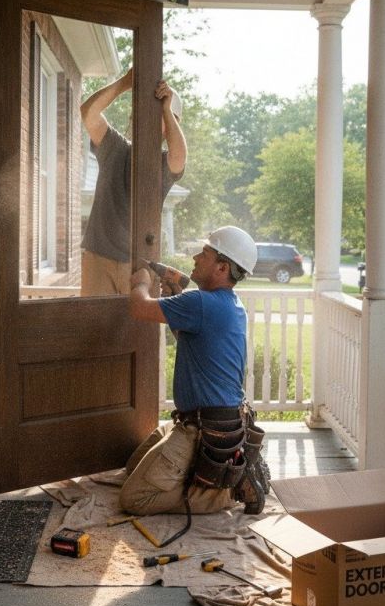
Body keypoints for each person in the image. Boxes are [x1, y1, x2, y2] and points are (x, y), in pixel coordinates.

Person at [119, 226, 270, 521]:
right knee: (132, 467)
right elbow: (190, 336)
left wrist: (141, 283)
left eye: (205, 253)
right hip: (212, 420)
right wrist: (177, 297)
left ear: (222, 267)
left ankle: (226, 491)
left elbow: (139, 309)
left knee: (135, 497)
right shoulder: (227, 304)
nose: (196, 257)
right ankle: (208, 476)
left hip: (203, 429)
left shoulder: (200, 303)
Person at [80, 67, 187, 296]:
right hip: (99, 258)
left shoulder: (162, 165)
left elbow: (179, 156)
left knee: (140, 331)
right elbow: (89, 113)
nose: (144, 117)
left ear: (169, 125)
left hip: (140, 265)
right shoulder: (115, 147)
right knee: (93, 329)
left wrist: (166, 110)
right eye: (141, 111)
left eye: (156, 115)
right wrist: (126, 83)